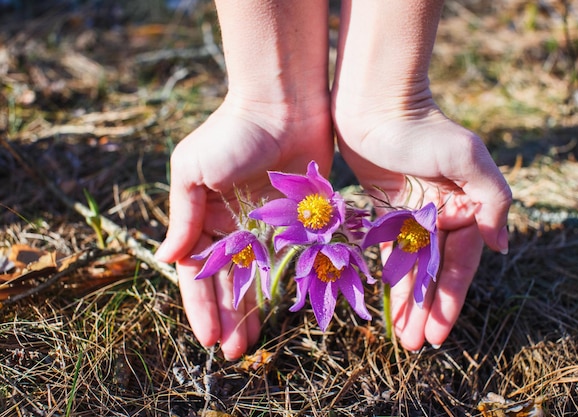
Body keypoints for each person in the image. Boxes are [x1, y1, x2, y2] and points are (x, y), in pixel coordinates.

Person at [155, 0, 512, 360]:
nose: (312, 218)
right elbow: (288, 224)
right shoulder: (301, 223)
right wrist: (262, 105)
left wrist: (393, 104)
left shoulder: (375, 226)